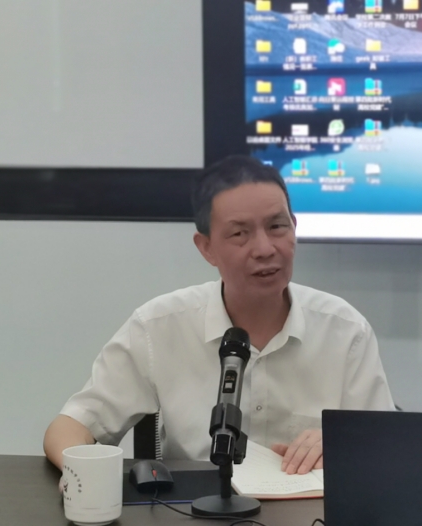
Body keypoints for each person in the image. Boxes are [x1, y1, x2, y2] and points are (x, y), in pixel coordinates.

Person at [44, 155, 395, 475]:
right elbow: (71, 426)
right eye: (240, 234)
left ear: (294, 226)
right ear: (207, 248)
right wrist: (83, 474)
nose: (265, 249)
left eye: (277, 226)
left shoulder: (345, 331)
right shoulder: (158, 327)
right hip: (195, 510)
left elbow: (389, 446)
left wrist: (346, 444)